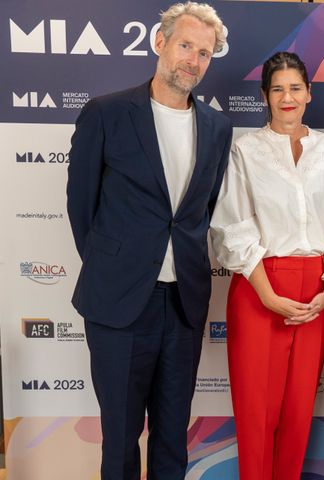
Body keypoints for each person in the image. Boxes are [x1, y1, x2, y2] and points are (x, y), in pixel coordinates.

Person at [66, 2, 232, 479]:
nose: (193, 61)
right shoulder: (107, 113)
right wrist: (118, 266)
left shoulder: (218, 128)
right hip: (118, 303)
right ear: (160, 44)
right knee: (119, 434)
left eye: (204, 53)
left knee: (172, 431)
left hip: (183, 304)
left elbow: (204, 208)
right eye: (185, 46)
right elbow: (82, 208)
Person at [209, 51, 324, 480]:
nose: (287, 97)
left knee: (297, 411)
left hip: (318, 290)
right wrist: (267, 294)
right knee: (257, 413)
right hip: (259, 285)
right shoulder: (245, 151)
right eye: (277, 89)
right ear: (264, 97)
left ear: (309, 93)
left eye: (295, 88)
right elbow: (232, 226)